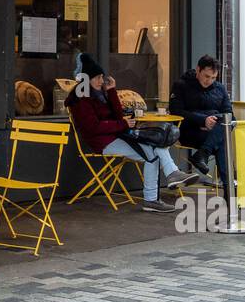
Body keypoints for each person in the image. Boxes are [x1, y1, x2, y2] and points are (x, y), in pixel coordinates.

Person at [65, 52, 196, 213]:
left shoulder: (99, 95)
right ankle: (159, 190)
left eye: (101, 77)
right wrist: (122, 124)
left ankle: (168, 179)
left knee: (155, 146)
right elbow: (93, 127)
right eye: (97, 77)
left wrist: (112, 91)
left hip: (118, 135)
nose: (101, 81)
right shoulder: (81, 100)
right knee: (152, 153)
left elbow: (118, 116)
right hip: (102, 142)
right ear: (86, 79)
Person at [169, 55, 233, 187]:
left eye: (214, 78)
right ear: (198, 70)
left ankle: (202, 154)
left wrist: (213, 125)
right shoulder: (181, 85)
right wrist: (203, 120)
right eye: (206, 76)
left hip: (212, 133)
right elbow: (176, 112)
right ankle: (229, 190)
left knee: (225, 124)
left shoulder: (220, 88)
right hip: (189, 132)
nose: (209, 81)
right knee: (223, 142)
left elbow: (230, 116)